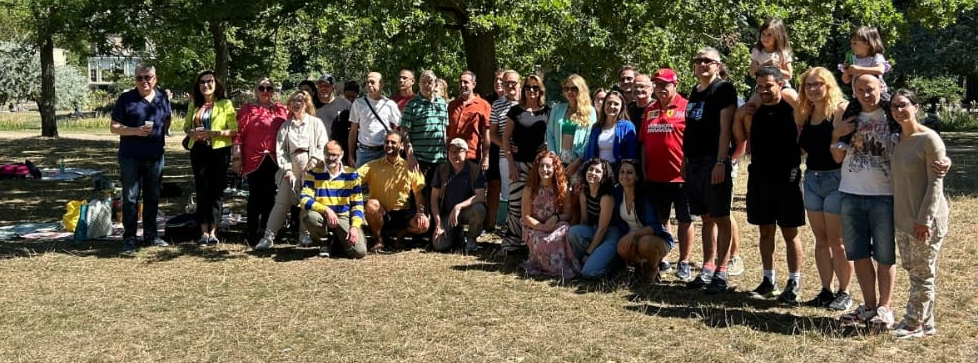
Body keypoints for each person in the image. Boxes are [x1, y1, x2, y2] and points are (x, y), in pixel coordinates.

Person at [831, 74, 898, 328]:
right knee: (858, 254)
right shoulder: (850, 115)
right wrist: (838, 133)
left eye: (870, 89)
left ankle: (885, 307)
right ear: (854, 92)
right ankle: (869, 306)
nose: (865, 94)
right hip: (850, 192)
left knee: (885, 255)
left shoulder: (893, 113)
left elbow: (915, 135)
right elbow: (836, 155)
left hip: (884, 194)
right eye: (860, 90)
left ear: (880, 87)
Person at [740, 66, 806, 304]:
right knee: (765, 230)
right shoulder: (754, 110)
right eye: (759, 87)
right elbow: (741, 133)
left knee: (790, 231)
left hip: (786, 177)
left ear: (780, 84)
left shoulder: (792, 109)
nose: (764, 91)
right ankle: (769, 281)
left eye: (768, 85)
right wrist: (745, 112)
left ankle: (794, 282)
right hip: (759, 177)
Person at [889, 88, 950, 339]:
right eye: (894, 106)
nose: (899, 110)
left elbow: (936, 184)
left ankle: (913, 324)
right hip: (903, 218)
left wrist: (924, 220)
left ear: (916, 107)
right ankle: (927, 322)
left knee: (923, 274)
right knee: (915, 270)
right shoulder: (897, 140)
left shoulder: (929, 139)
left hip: (925, 220)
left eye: (904, 105)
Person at [793, 67, 855, 310]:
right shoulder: (806, 112)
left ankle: (845, 291)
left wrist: (834, 136)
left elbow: (838, 154)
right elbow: (804, 147)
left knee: (837, 240)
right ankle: (826, 290)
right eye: (808, 85)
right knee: (820, 240)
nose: (813, 89)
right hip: (812, 179)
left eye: (818, 84)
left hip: (836, 179)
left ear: (828, 85)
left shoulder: (839, 110)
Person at [683, 47, 738, 294]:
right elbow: (691, 129)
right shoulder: (695, 92)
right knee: (705, 217)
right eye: (698, 61)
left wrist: (720, 162)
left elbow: (725, 130)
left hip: (712, 161)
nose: (702, 64)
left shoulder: (723, 89)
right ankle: (707, 267)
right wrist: (685, 160)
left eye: (708, 61)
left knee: (721, 217)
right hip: (693, 162)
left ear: (718, 65)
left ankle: (722, 271)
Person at [638, 68, 695, 281]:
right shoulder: (650, 109)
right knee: (661, 219)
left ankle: (685, 261)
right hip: (654, 176)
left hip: (680, 176)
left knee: (684, 219)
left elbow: (691, 141)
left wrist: (687, 163)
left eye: (665, 84)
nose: (661, 88)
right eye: (657, 84)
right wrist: (643, 167)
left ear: (675, 85)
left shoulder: (686, 107)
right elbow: (644, 143)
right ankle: (664, 257)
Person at [254, 91, 329, 250]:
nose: (296, 103)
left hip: (311, 169)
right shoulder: (285, 126)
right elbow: (281, 150)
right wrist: (287, 170)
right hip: (291, 169)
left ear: (306, 103)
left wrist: (313, 162)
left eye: (300, 100)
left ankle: (304, 235)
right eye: (293, 100)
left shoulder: (316, 123)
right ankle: (268, 237)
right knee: (280, 203)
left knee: (306, 203)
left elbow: (322, 145)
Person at [109, 65, 171, 254]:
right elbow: (114, 127)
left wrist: (164, 133)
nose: (144, 81)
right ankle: (129, 238)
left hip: (155, 156)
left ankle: (151, 235)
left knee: (152, 196)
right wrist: (135, 131)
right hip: (131, 157)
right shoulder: (126, 99)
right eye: (139, 78)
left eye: (148, 77)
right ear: (135, 79)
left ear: (155, 78)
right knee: (130, 198)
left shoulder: (162, 98)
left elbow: (167, 118)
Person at [183, 70, 237, 246]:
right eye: (202, 82)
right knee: (201, 190)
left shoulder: (225, 104)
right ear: (198, 86)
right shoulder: (194, 104)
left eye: (209, 81)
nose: (206, 85)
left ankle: (214, 231)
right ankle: (203, 231)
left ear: (216, 84)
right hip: (198, 151)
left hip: (219, 151)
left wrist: (214, 133)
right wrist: (192, 132)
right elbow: (186, 126)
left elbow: (234, 130)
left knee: (216, 192)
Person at [232, 78, 288, 245]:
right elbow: (238, 135)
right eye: (261, 88)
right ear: (256, 90)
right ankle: (252, 231)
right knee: (255, 196)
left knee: (271, 196)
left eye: (269, 88)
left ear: (273, 91)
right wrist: (236, 157)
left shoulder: (280, 109)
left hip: (274, 159)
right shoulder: (248, 109)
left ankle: (269, 231)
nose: (265, 91)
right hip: (253, 158)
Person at [501, 74, 549, 255]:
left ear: (540, 90)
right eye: (528, 87)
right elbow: (505, 137)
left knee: (538, 205)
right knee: (515, 204)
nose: (531, 91)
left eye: (535, 88)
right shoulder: (515, 111)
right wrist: (510, 163)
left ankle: (533, 242)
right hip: (518, 164)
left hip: (540, 167)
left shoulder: (547, 111)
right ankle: (512, 242)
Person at [359, 131, 428, 253]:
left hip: (403, 213)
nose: (389, 145)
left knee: (424, 224)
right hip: (382, 213)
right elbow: (353, 179)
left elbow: (418, 194)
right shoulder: (372, 166)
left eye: (393, 142)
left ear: (401, 146)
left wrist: (420, 212)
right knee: (371, 204)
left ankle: (401, 234)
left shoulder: (410, 167)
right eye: (387, 142)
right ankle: (379, 240)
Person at [299, 140, 367, 259]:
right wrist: (326, 210)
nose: (331, 158)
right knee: (311, 217)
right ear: (323, 154)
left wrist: (355, 227)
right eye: (328, 154)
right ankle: (324, 243)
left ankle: (336, 241)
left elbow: (358, 205)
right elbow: (304, 199)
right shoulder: (313, 173)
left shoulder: (352, 175)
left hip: (343, 217)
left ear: (341, 154)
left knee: (359, 252)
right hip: (322, 215)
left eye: (334, 155)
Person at [521, 150, 579, 279]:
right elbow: (525, 217)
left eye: (548, 166)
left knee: (561, 232)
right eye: (541, 166)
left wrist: (556, 218)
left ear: (555, 168)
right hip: (534, 225)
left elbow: (567, 215)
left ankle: (561, 267)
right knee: (543, 241)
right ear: (537, 168)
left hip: (556, 224)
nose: (544, 169)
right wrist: (542, 227)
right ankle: (547, 267)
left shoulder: (563, 188)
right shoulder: (529, 188)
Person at [615, 159, 675, 282]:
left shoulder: (645, 196)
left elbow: (654, 227)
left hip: (655, 239)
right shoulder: (617, 194)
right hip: (632, 239)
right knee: (621, 246)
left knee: (645, 242)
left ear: (637, 177)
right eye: (622, 172)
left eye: (629, 173)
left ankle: (653, 267)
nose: (624, 176)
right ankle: (639, 266)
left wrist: (632, 234)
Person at [431, 138, 487, 253]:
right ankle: (457, 235)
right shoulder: (442, 170)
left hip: (467, 211)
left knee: (479, 209)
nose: (455, 155)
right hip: (447, 214)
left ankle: (471, 238)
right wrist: (438, 223)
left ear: (466, 153)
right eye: (452, 151)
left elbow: (481, 196)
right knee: (439, 245)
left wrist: (458, 206)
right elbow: (434, 198)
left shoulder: (475, 169)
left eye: (459, 151)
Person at [568, 158, 620, 279]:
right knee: (574, 231)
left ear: (604, 176)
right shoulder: (584, 193)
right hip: (594, 230)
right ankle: (584, 261)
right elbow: (585, 221)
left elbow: (603, 229)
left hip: (610, 234)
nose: (593, 173)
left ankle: (615, 265)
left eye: (598, 171)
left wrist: (587, 253)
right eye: (591, 169)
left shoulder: (607, 197)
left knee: (588, 273)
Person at [488, 70, 521, 237]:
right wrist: (506, 146)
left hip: (527, 157)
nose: (510, 86)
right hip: (504, 157)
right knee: (509, 195)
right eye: (506, 83)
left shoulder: (528, 101)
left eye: (513, 83)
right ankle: (511, 231)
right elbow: (492, 133)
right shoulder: (497, 105)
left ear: (519, 82)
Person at [546, 74, 594, 185]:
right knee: (560, 197)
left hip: (578, 162)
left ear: (581, 89)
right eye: (566, 88)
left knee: (576, 198)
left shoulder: (590, 111)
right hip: (557, 161)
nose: (570, 92)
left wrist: (577, 162)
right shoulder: (557, 108)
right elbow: (550, 134)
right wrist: (554, 159)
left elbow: (589, 139)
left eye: (574, 88)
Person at [400, 70, 448, 178]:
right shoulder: (411, 104)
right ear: (419, 84)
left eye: (430, 82)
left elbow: (443, 130)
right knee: (420, 194)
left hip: (440, 159)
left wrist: (445, 154)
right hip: (420, 160)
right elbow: (404, 132)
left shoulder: (442, 104)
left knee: (438, 194)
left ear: (435, 84)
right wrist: (410, 155)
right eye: (423, 82)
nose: (427, 85)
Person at [744, 18, 799, 109]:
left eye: (769, 35)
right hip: (761, 87)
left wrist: (777, 69)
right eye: (763, 34)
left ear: (777, 36)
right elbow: (752, 72)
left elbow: (789, 75)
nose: (765, 38)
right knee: (749, 109)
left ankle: (802, 123)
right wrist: (765, 64)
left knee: (798, 104)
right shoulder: (757, 51)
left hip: (783, 86)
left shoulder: (782, 53)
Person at [349, 72, 401, 167]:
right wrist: (351, 155)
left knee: (383, 181)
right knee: (360, 181)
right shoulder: (358, 103)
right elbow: (353, 131)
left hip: (384, 152)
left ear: (381, 84)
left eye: (372, 82)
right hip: (364, 153)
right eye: (367, 82)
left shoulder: (390, 104)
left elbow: (401, 127)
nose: (369, 85)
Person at [448, 71, 492, 170]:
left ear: (473, 84)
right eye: (460, 82)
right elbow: (447, 130)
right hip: (452, 156)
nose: (462, 85)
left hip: (472, 156)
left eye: (466, 82)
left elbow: (487, 133)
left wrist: (486, 157)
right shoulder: (452, 105)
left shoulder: (483, 105)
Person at [583, 90, 637, 171]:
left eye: (616, 104)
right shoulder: (596, 127)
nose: (612, 106)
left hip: (618, 172)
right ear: (604, 104)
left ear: (622, 107)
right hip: (598, 172)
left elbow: (631, 155)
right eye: (609, 103)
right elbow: (589, 154)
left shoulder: (628, 127)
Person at [840, 26, 891, 93]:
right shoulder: (853, 59)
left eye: (855, 43)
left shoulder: (876, 57)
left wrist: (859, 70)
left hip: (878, 94)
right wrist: (846, 70)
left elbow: (880, 70)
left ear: (867, 44)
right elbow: (846, 80)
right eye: (851, 43)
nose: (851, 46)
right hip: (860, 95)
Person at [314, 73, 352, 149]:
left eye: (326, 86)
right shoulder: (312, 105)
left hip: (339, 152)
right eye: (320, 86)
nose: (323, 88)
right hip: (317, 151)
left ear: (334, 87)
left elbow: (353, 130)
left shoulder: (345, 104)